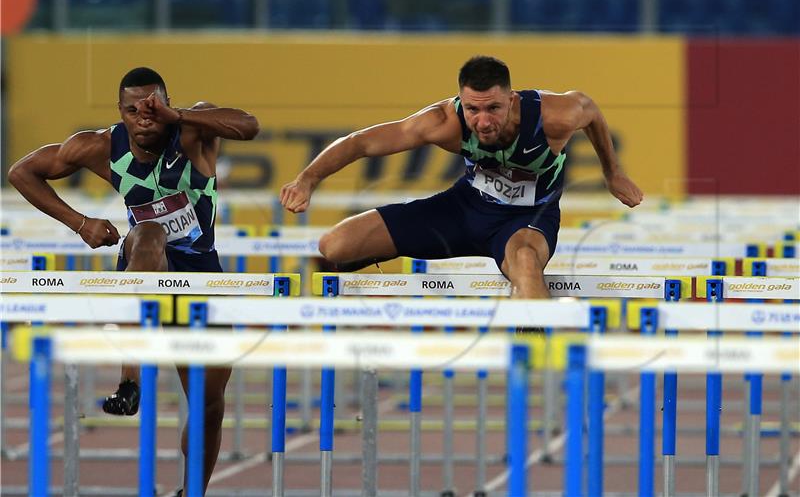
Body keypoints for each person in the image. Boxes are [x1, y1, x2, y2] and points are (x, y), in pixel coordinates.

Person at [9, 67, 259, 495]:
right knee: (148, 234)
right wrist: (80, 222)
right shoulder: (101, 146)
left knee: (208, 404)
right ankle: (131, 381)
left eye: (152, 109)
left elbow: (248, 127)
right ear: (120, 112)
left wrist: (176, 115)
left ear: (164, 105)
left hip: (202, 273)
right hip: (146, 262)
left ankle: (191, 492)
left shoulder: (193, 131)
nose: (143, 119)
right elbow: (22, 172)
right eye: (133, 111)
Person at [281, 55, 643, 298]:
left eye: (493, 109)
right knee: (335, 245)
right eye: (472, 109)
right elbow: (360, 143)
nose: (483, 121)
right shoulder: (443, 122)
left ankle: (533, 374)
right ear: (460, 102)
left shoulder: (554, 116)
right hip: (462, 209)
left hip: (525, 220)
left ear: (512, 100)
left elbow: (591, 110)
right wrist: (307, 179)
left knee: (527, 267)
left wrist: (613, 173)